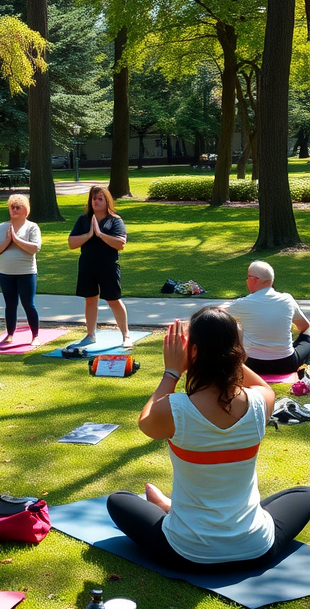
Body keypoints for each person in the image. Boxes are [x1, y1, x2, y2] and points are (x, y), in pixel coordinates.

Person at [107, 309, 310, 571]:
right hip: (256, 548)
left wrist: (172, 371)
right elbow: (263, 387)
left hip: (186, 552)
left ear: (192, 352)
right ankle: (209, 517)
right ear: (239, 352)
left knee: (119, 499)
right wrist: (226, 353)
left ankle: (170, 508)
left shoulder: (174, 409)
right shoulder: (263, 401)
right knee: (304, 494)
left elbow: (146, 422)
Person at [68, 185, 131, 348]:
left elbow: (120, 244)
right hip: (87, 265)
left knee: (113, 300)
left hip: (108, 266)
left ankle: (126, 335)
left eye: (100, 199)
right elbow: (71, 243)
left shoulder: (115, 220)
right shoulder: (84, 220)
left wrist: (100, 234)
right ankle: (90, 335)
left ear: (106, 201)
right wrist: (89, 234)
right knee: (90, 300)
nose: (96, 201)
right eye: (94, 199)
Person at [221, 261, 310, 377]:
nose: (247, 281)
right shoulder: (287, 300)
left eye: (248, 277)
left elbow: (218, 317)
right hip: (286, 364)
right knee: (307, 338)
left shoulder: (242, 304)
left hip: (252, 365)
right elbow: (304, 326)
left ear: (255, 279)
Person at [0, 194, 41, 343]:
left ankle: (35, 335)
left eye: (18, 207)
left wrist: (16, 240)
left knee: (28, 303)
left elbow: (34, 248)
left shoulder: (32, 227)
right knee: (10, 304)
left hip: (26, 273)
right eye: (12, 207)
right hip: (6, 273)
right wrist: (7, 241)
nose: (14, 209)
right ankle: (10, 333)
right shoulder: (4, 227)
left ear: (26, 210)